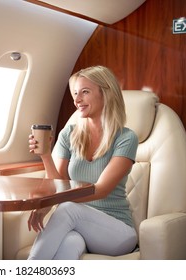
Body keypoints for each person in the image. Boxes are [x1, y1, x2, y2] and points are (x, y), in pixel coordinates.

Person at [27, 65, 138, 259]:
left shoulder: (126, 138)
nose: (77, 100)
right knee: (70, 243)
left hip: (117, 231)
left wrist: (50, 204)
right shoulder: (68, 134)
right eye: (76, 93)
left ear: (106, 94)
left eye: (85, 92)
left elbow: (101, 189)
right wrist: (45, 154)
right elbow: (57, 184)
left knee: (67, 208)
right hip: (81, 229)